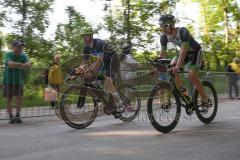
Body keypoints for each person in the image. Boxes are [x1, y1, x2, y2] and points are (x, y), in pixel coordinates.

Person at [158, 14, 211, 107]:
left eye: (165, 25)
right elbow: (162, 54)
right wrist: (158, 65)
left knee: (192, 76)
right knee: (171, 69)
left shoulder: (183, 31)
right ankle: (185, 94)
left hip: (195, 52)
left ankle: (204, 98)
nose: (163, 28)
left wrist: (178, 66)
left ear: (171, 25)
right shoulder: (163, 37)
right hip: (185, 53)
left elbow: (183, 49)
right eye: (161, 26)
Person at [79, 26, 123, 113]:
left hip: (113, 60)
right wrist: (77, 71)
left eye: (86, 35)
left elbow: (99, 61)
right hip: (105, 62)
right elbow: (84, 63)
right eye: (82, 36)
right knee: (93, 80)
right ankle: (107, 99)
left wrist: (90, 71)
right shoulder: (86, 48)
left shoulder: (98, 43)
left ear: (91, 35)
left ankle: (120, 103)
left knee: (108, 81)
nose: (84, 38)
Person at [2, 40, 31, 123]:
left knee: (19, 99)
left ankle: (18, 116)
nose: (21, 48)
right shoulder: (8, 54)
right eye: (19, 46)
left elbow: (28, 65)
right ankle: (11, 117)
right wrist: (22, 64)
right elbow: (10, 64)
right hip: (8, 81)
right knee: (9, 99)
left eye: (22, 46)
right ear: (13, 47)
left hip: (19, 81)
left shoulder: (23, 55)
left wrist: (18, 65)